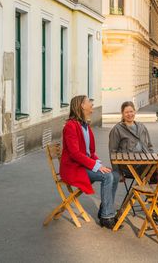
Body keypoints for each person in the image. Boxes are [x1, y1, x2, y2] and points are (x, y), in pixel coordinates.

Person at [109, 101, 158, 210]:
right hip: (128, 167)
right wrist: (118, 172)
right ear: (122, 114)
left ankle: (157, 208)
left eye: (131, 111)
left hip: (145, 164)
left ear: (135, 112)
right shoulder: (117, 129)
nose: (129, 114)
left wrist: (152, 157)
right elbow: (113, 151)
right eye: (126, 112)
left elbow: (149, 146)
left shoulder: (141, 126)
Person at [60, 95, 120, 229]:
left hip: (83, 166)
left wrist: (99, 164)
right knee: (107, 176)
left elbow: (90, 152)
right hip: (74, 168)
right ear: (82, 105)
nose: (92, 103)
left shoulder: (85, 125)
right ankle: (107, 216)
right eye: (89, 101)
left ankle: (105, 208)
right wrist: (96, 166)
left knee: (114, 175)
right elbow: (75, 154)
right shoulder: (71, 126)